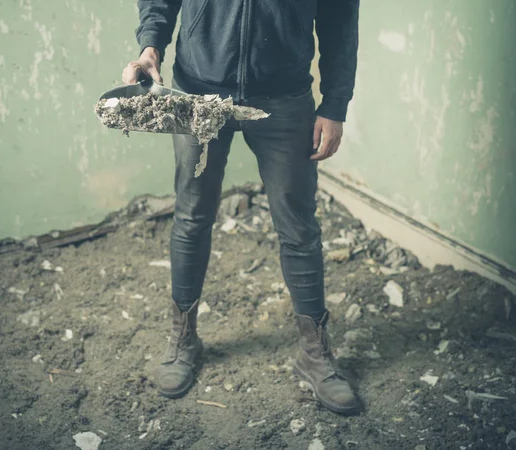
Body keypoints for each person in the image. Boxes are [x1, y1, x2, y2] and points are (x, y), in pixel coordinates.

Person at [123, 0, 360, 415]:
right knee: (192, 216)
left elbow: (341, 19)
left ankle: (315, 352)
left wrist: (335, 104)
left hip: (285, 99)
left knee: (299, 227)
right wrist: (150, 46)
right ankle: (184, 340)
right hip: (197, 93)